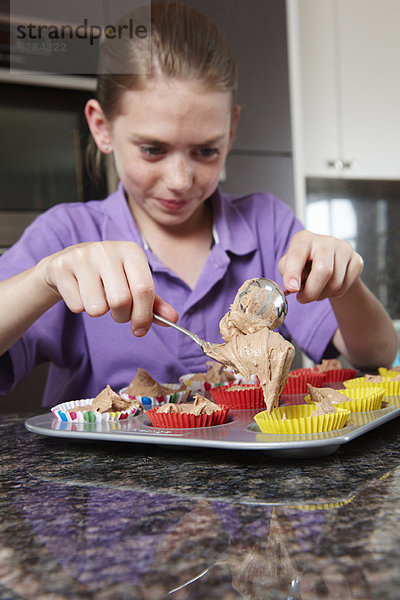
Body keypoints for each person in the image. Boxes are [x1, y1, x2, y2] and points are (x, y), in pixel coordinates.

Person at [0, 2, 397, 407]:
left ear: (231, 131)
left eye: (206, 151)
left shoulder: (268, 226)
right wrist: (43, 280)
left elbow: (379, 355)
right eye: (153, 149)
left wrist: (345, 285)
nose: (179, 181)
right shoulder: (67, 235)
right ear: (102, 128)